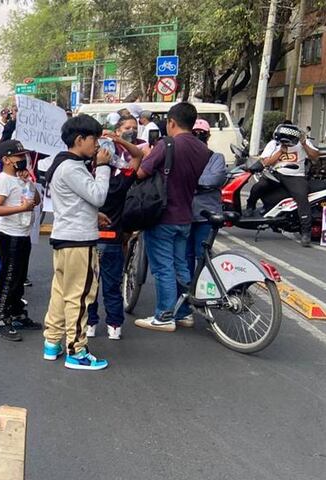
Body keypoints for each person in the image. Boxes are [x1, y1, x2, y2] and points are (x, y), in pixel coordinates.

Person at [42, 114, 112, 370]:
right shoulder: (72, 167)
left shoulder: (63, 163)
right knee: (80, 297)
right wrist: (103, 167)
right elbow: (98, 195)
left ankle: (52, 342)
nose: (97, 145)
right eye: (94, 139)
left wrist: (94, 215)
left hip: (66, 238)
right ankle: (77, 351)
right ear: (80, 139)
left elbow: (74, 201)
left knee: (61, 293)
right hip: (78, 241)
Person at [135, 102, 210, 332]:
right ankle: (184, 312)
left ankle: (165, 315)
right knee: (180, 265)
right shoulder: (202, 150)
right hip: (186, 215)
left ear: (171, 122)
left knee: (163, 268)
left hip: (163, 215)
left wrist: (146, 155)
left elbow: (141, 172)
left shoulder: (167, 144)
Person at [86, 116, 145, 341]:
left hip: (89, 239)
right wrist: (119, 140)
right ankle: (114, 326)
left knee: (89, 286)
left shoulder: (86, 180)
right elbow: (138, 156)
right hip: (113, 241)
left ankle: (90, 324)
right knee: (112, 286)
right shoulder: (121, 182)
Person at [0, 139, 41, 340]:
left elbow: (36, 200)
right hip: (9, 236)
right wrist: (21, 208)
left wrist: (29, 182)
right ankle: (2, 318)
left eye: (23, 155)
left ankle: (17, 313)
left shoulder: (21, 178)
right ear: (6, 160)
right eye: (18, 156)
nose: (22, 159)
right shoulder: (4, 180)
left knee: (19, 278)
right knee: (8, 278)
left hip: (23, 234)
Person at [246, 122, 318, 247]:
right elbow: (266, 162)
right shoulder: (274, 144)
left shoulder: (302, 142)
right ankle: (250, 206)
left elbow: (314, 156)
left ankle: (306, 232)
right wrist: (280, 151)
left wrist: (304, 144)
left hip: (295, 176)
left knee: (301, 197)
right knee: (259, 186)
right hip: (276, 173)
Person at [187, 119, 228, 272]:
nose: (198, 135)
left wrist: (191, 182)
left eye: (202, 133)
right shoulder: (183, 156)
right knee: (185, 256)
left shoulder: (216, 157)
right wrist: (200, 183)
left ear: (208, 135)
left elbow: (214, 180)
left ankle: (203, 285)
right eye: (194, 133)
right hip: (185, 214)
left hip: (207, 215)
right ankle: (187, 286)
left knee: (202, 255)